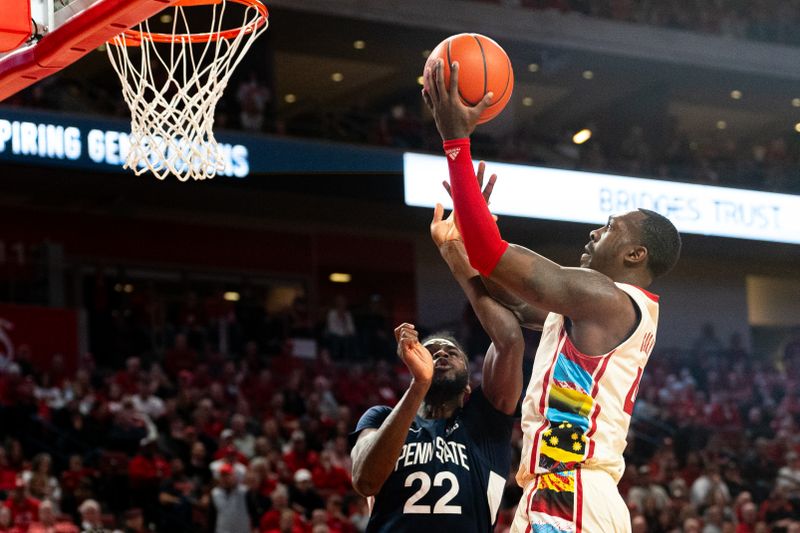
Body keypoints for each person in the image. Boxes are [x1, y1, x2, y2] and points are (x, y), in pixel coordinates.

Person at [423, 58, 681, 532]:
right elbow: (510, 301)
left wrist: (455, 141)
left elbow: (494, 255)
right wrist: (462, 250)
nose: (594, 232)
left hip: (572, 493)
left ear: (634, 254)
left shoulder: (605, 298)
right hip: (558, 492)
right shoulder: (591, 311)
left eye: (609, 229)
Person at [350, 186, 526, 531]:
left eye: (452, 351)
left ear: (470, 390)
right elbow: (365, 481)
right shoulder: (381, 416)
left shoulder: (485, 422)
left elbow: (509, 339)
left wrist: (463, 250)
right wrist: (420, 385)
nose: (441, 352)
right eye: (431, 352)